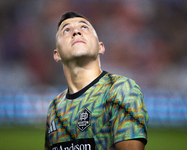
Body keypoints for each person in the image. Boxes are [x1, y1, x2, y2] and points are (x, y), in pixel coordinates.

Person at [45, 12, 149, 150]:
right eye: (66, 30)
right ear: (57, 54)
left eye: (84, 27)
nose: (76, 32)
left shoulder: (120, 89)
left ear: (100, 47)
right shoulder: (54, 108)